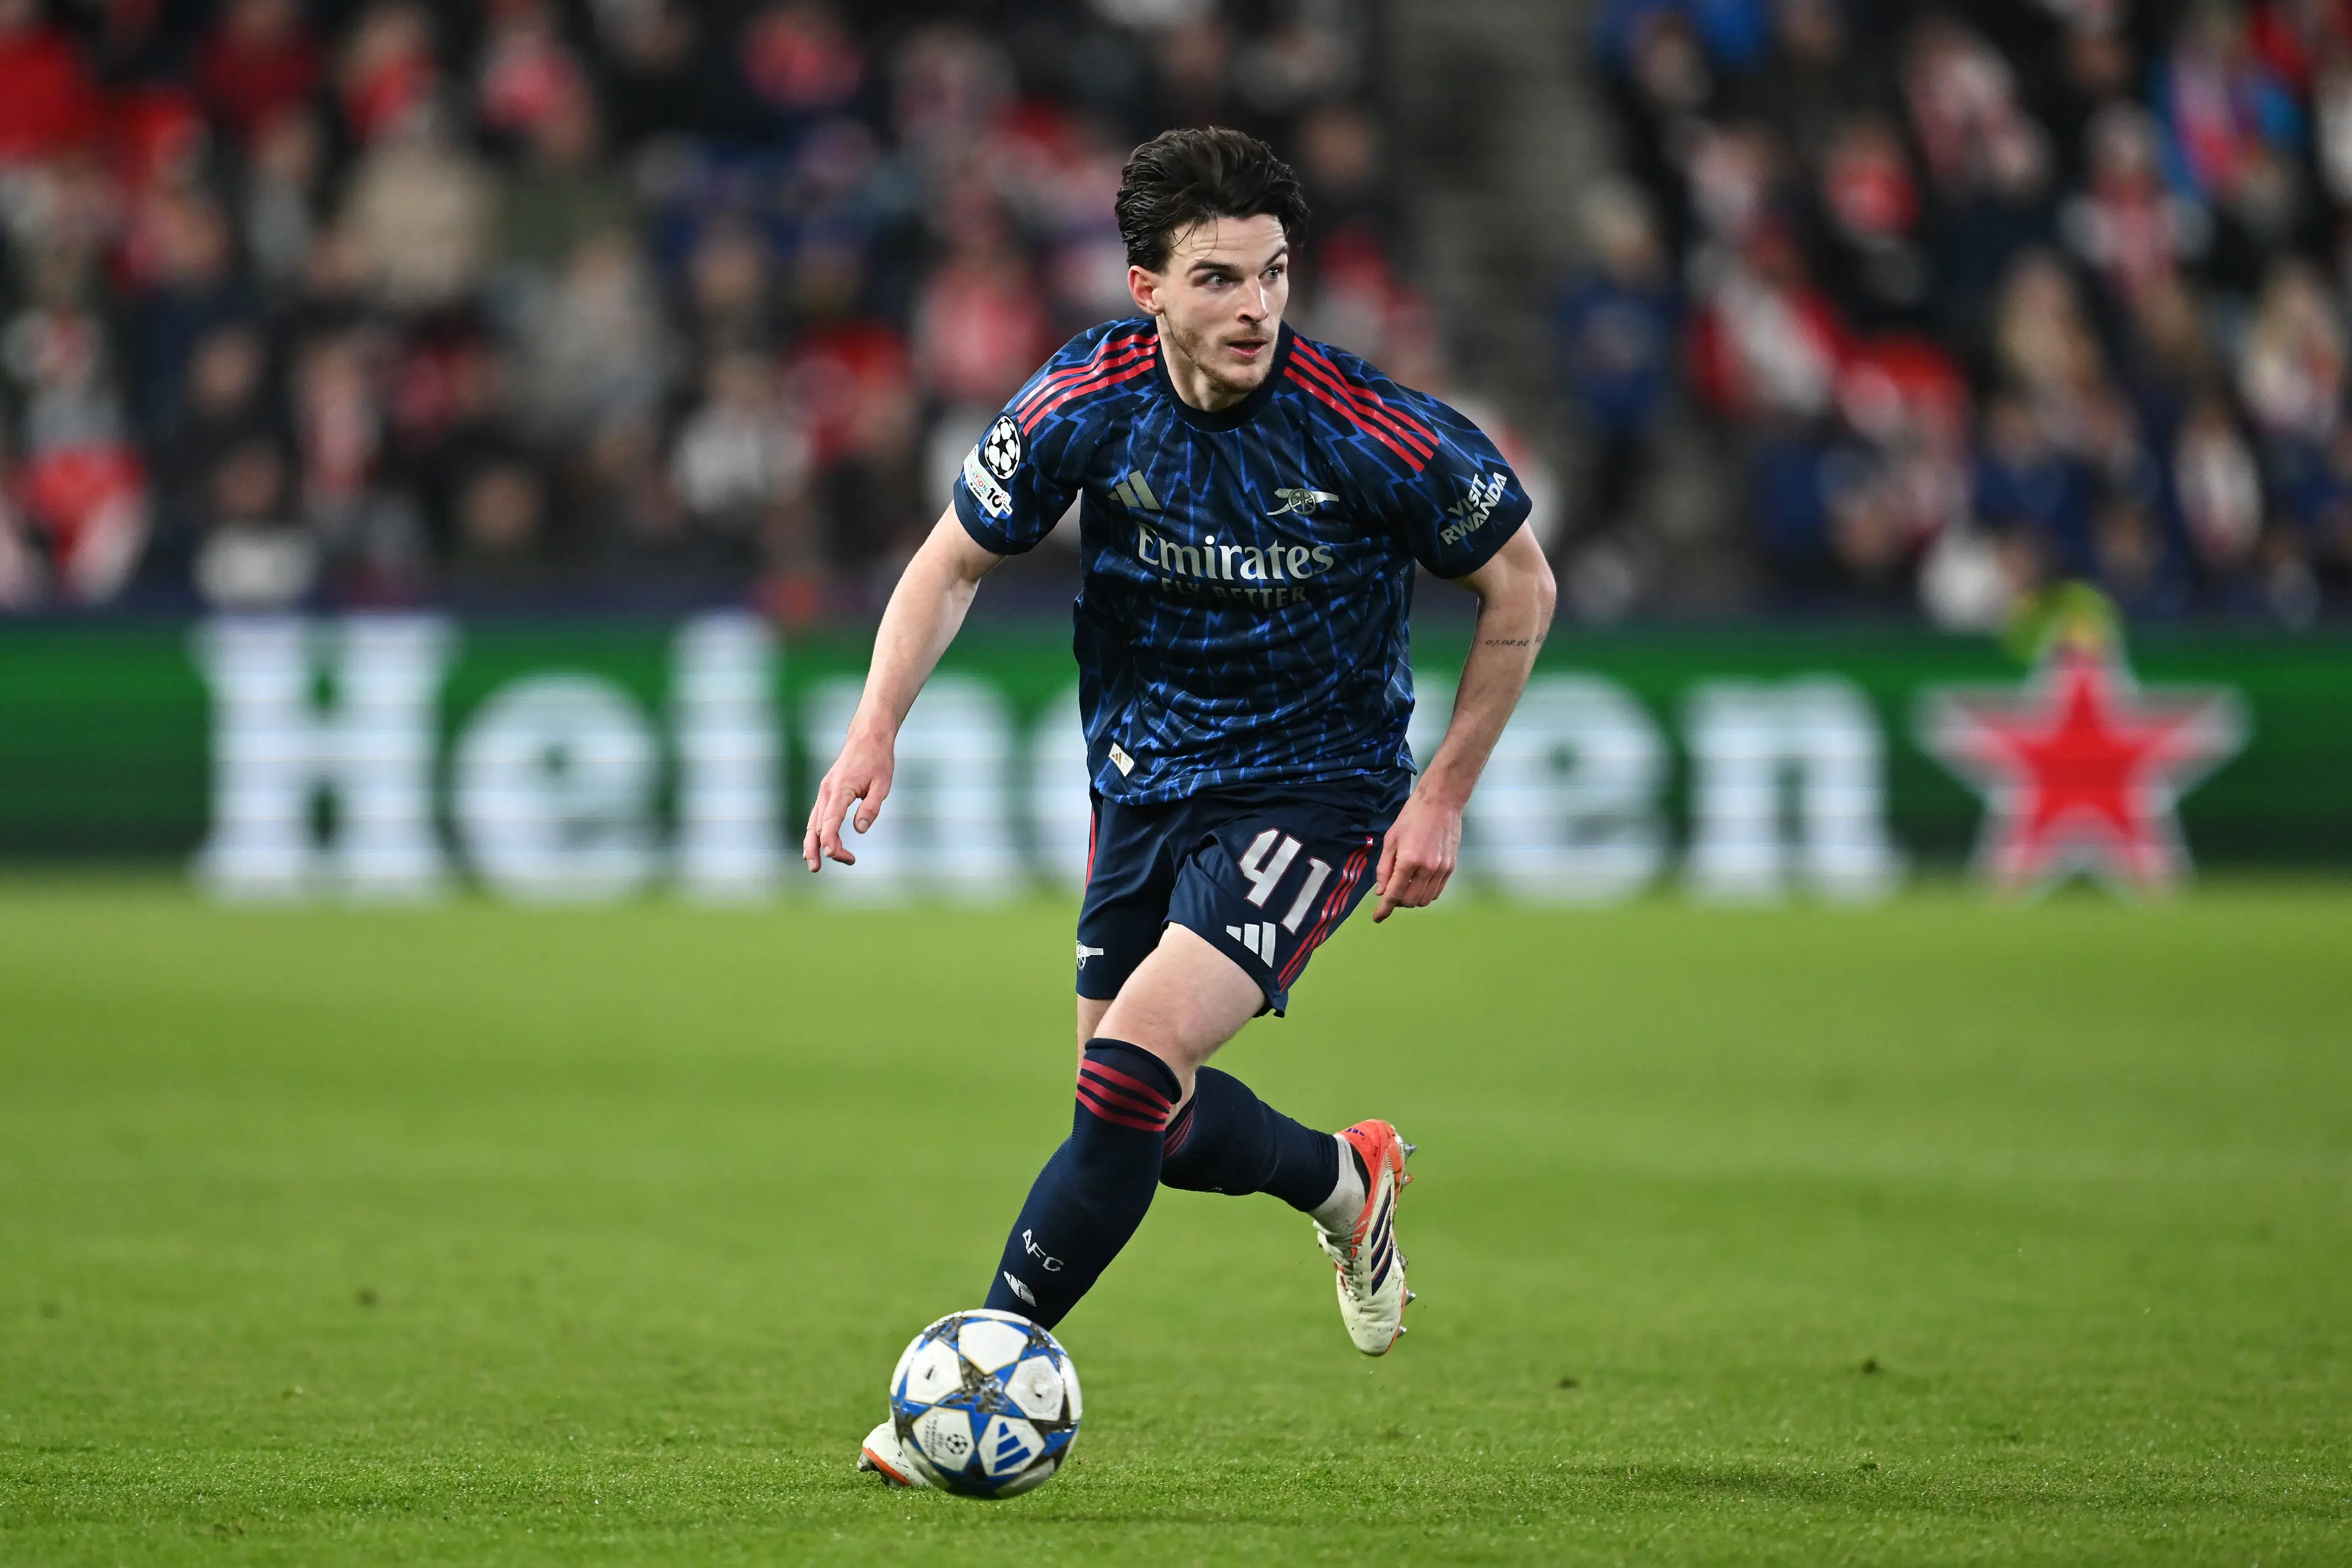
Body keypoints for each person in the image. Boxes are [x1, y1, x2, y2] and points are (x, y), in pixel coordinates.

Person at [805, 127, 1555, 1485]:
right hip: (1144, 787)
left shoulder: (1363, 423)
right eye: (1218, 277)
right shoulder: (1085, 399)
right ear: (1145, 284)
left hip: (1318, 790)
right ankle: (1344, 1179)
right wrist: (874, 727)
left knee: (1124, 1073)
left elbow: (1522, 582)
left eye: (1273, 273)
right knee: (1137, 1119)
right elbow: (951, 562)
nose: (1257, 307)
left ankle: (974, 1377)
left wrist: (1440, 794)